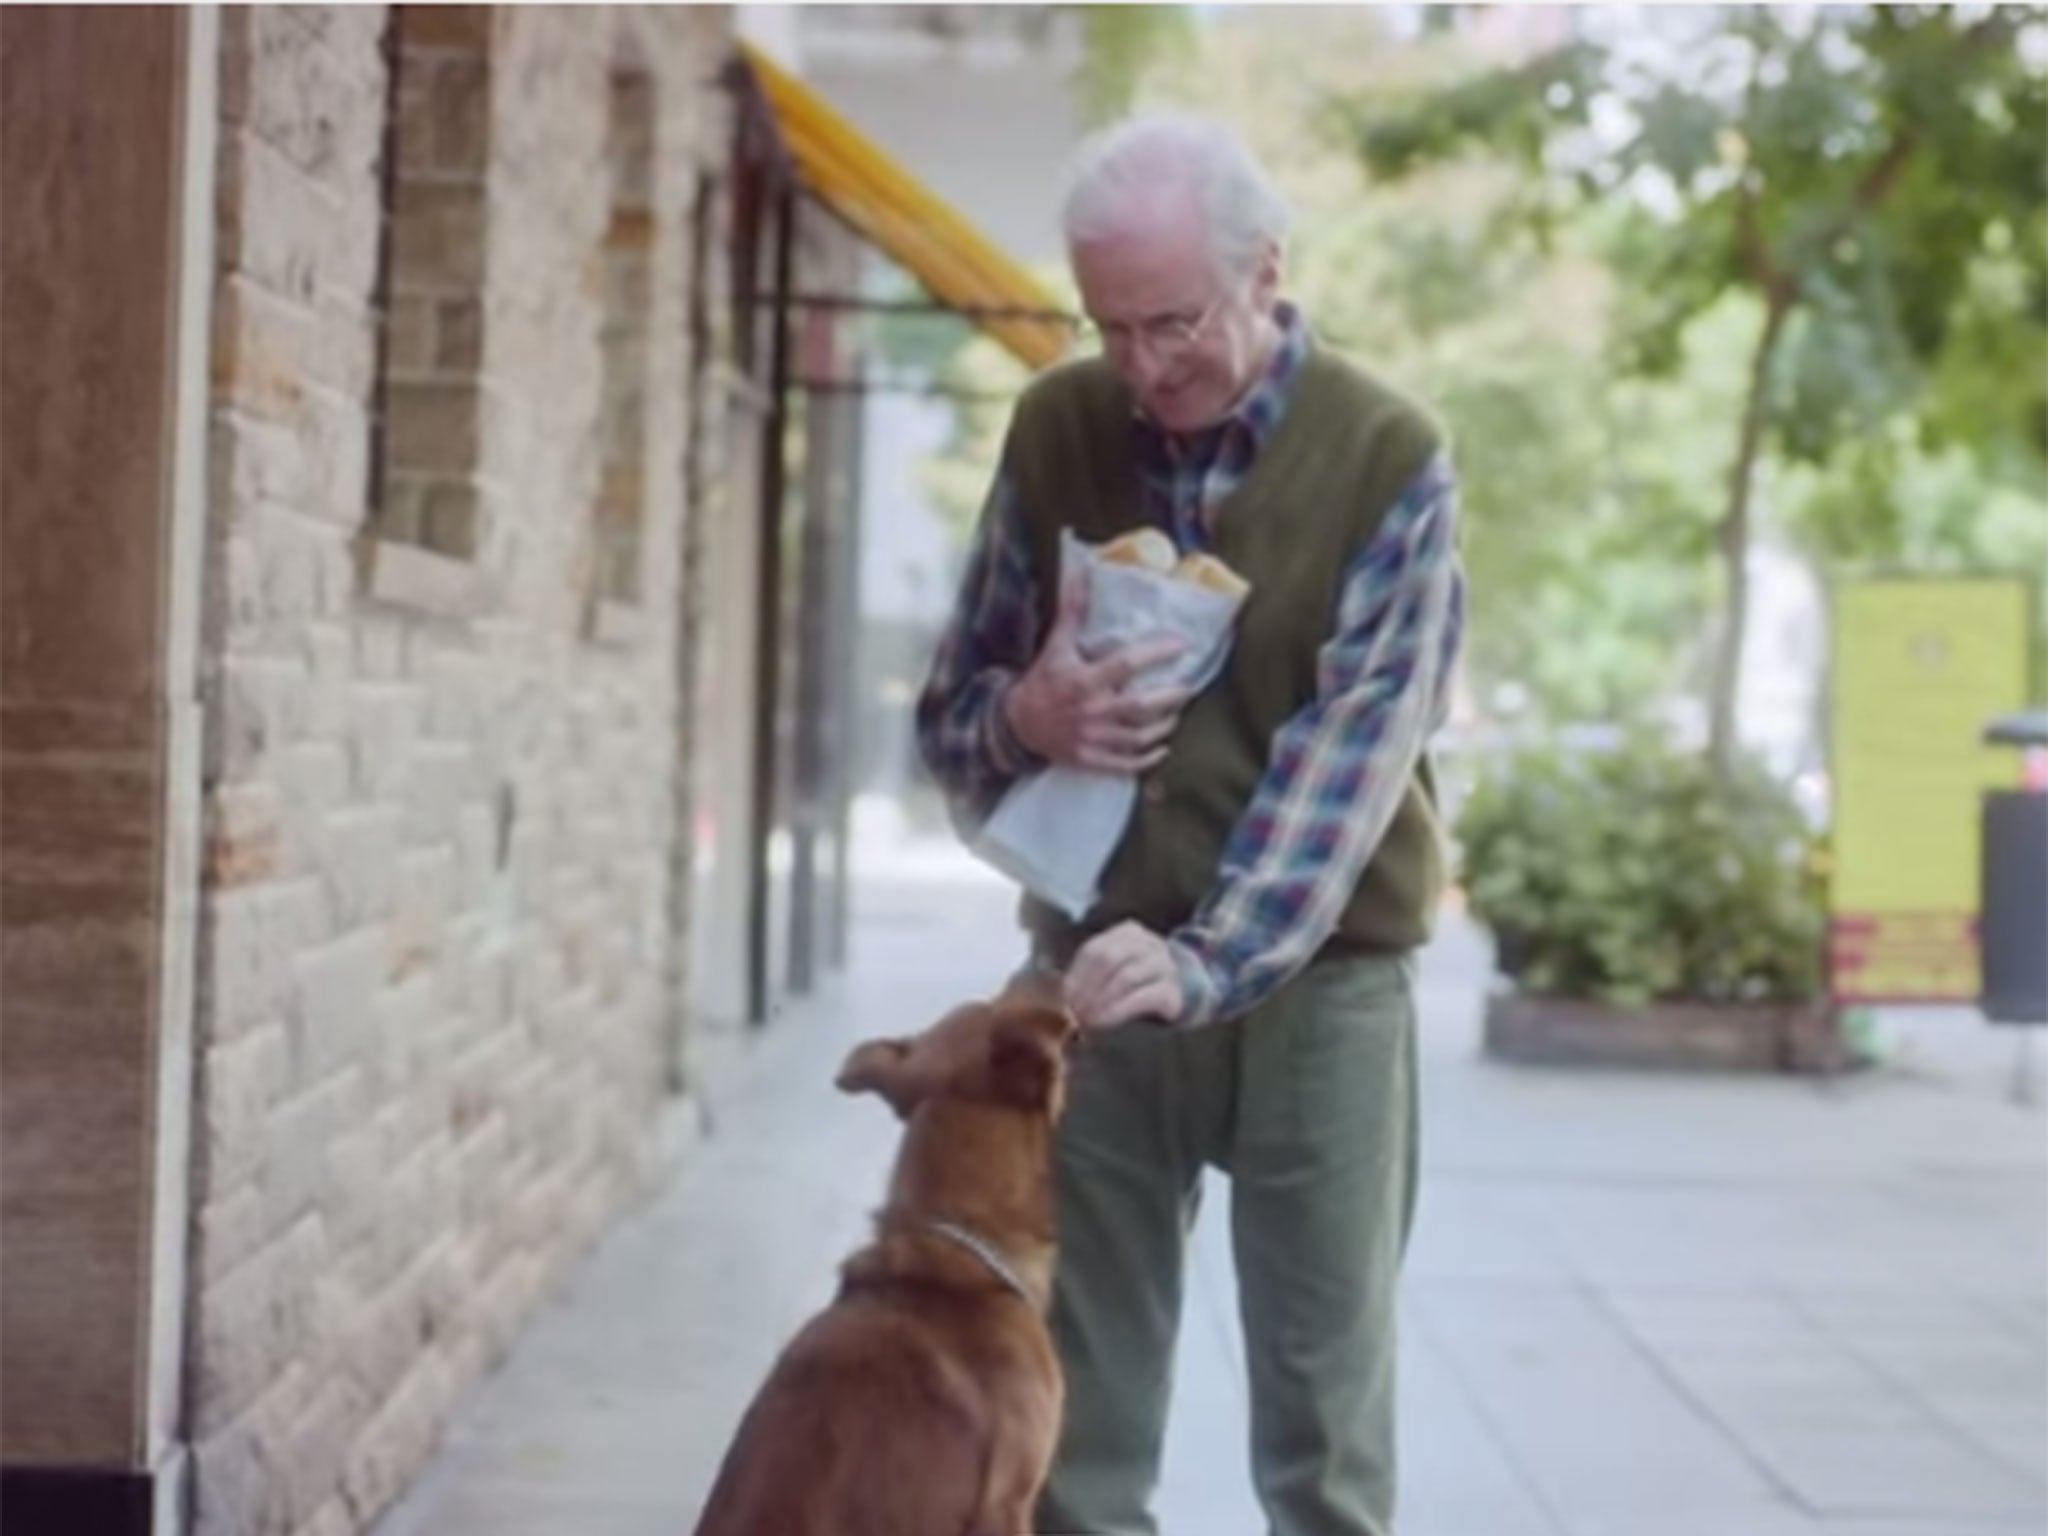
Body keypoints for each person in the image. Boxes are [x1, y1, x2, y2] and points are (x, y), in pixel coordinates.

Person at [914, 111, 1466, 1536]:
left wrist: (1207, 957)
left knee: (1322, 1425)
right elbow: (948, 719)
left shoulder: (1389, 453)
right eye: (1111, 327)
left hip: (1322, 988)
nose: (1144, 367)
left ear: (1265, 272)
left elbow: (1343, 771)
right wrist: (1025, 720)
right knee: (1079, 1429)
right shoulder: (1057, 426)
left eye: (1176, 322)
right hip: (1092, 976)